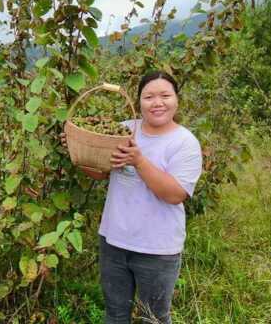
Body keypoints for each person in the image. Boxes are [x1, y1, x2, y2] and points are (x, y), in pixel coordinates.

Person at [61, 71, 203, 323]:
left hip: (157, 249)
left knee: (153, 318)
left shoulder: (184, 143)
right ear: (139, 101)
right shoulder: (124, 130)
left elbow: (175, 194)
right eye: (149, 96)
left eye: (165, 96)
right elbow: (100, 173)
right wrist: (79, 147)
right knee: (115, 314)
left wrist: (139, 161)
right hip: (114, 241)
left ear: (176, 99)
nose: (157, 102)